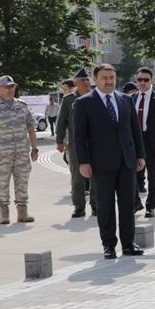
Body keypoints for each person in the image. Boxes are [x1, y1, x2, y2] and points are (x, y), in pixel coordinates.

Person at [72, 64, 146, 259]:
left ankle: (129, 243)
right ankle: (109, 245)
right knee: (105, 206)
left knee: (128, 203)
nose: (109, 81)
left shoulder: (126, 100)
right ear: (95, 79)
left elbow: (135, 131)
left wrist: (140, 155)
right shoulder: (84, 103)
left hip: (126, 160)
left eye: (112, 77)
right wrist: (83, 162)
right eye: (104, 77)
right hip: (101, 162)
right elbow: (79, 137)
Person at [0, 75, 39, 224]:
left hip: (21, 152)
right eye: (6, 87)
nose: (10, 89)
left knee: (22, 181)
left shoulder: (22, 105)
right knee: (2, 182)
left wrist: (35, 148)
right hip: (1, 153)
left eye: (12, 86)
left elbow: (30, 127)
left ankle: (22, 212)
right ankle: (4, 213)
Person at [55, 69, 98, 218]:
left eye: (87, 80)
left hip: (96, 143)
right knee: (77, 176)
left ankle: (96, 205)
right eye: (82, 80)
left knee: (96, 176)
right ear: (75, 83)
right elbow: (61, 123)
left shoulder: (96, 97)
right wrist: (60, 141)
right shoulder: (68, 100)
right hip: (75, 144)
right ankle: (79, 207)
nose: (86, 83)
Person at [132, 67, 155, 217]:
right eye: (139, 79)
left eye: (145, 80)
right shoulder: (131, 99)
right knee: (132, 174)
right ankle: (135, 203)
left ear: (151, 81)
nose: (142, 82)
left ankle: (151, 206)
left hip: (152, 141)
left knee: (153, 176)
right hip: (135, 141)